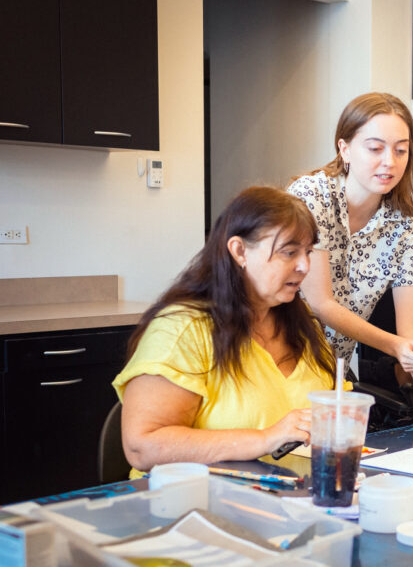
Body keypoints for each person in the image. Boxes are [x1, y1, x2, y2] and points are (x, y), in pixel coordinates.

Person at [113, 186, 341, 474]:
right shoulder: (183, 329)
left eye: (308, 252)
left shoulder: (302, 323)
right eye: (289, 252)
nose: (305, 266)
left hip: (290, 502)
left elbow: (337, 411)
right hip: (192, 506)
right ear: (239, 250)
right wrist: (265, 439)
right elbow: (142, 447)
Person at [287, 92, 413, 414]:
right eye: (375, 148)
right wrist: (395, 346)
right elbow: (320, 302)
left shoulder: (403, 227)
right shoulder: (312, 197)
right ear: (345, 148)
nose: (389, 162)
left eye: (400, 150)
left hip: (329, 372)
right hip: (275, 363)